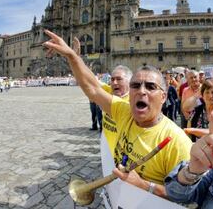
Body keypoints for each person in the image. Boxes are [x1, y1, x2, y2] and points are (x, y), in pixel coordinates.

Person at [43, 29, 192, 197]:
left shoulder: (178, 143)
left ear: (163, 97)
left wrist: (143, 185)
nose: (141, 91)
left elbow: (188, 198)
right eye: (135, 86)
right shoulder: (124, 111)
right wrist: (71, 55)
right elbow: (92, 87)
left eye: (150, 87)